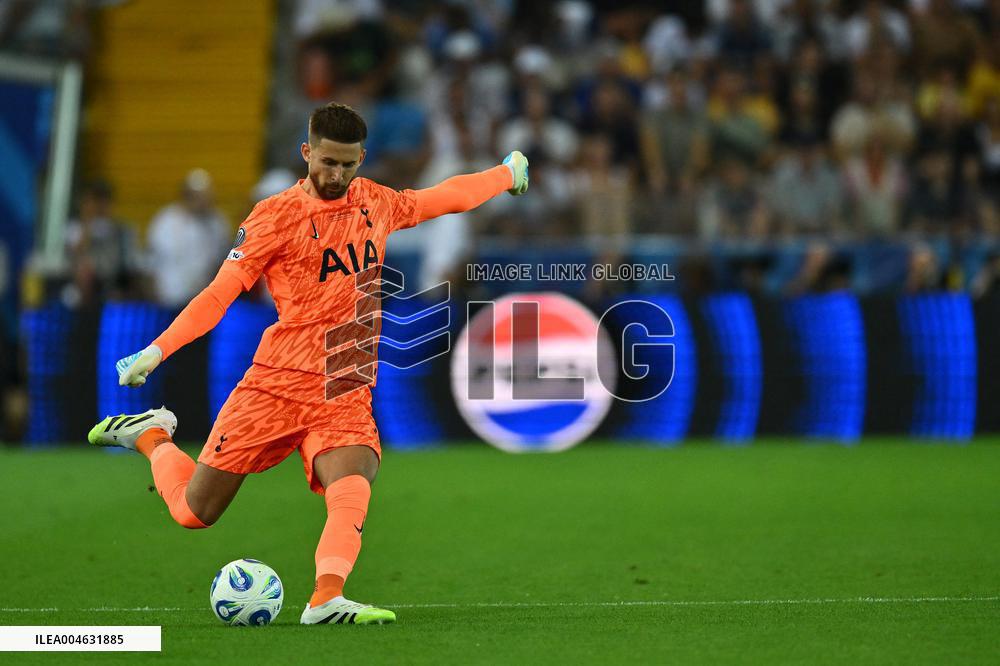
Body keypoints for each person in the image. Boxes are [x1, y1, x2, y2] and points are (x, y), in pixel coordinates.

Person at [87, 103, 530, 625]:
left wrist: (505, 174)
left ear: (362, 159)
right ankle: (152, 436)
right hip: (275, 384)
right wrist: (157, 350)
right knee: (194, 512)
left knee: (353, 479)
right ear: (307, 152)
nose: (336, 175)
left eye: (347, 164)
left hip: (345, 381)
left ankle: (325, 597)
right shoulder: (273, 218)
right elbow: (218, 295)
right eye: (326, 162)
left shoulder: (376, 202)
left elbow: (442, 199)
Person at [146, 169, 231, 308]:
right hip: (168, 299)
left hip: (201, 302)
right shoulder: (165, 221)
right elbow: (152, 262)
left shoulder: (217, 223)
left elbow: (221, 261)